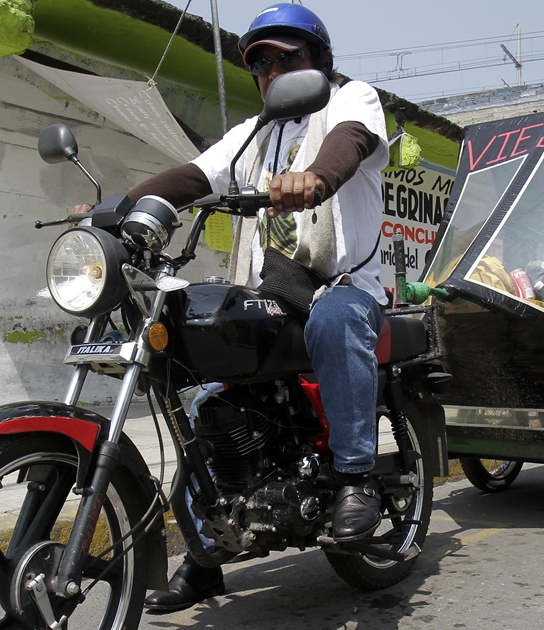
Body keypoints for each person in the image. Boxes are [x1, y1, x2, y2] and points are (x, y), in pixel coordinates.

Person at [122, 3, 390, 614]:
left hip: (339, 285)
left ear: (318, 62)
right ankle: (205, 551)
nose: (272, 71)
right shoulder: (255, 134)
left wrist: (316, 180)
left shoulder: (353, 101)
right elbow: (195, 175)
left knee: (337, 317)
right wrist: (117, 206)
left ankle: (355, 480)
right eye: (261, 63)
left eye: (286, 58)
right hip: (270, 295)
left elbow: (348, 147)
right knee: (200, 384)